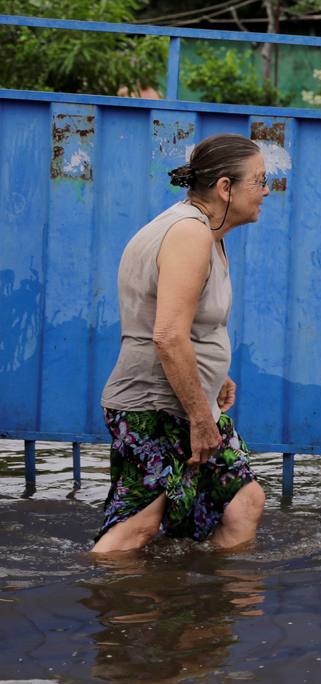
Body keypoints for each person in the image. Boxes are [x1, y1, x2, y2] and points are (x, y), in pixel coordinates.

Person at [94, 134, 270, 552]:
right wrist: (200, 418)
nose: (266, 192)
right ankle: (102, 603)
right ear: (225, 188)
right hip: (154, 406)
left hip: (185, 401)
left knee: (242, 503)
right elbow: (168, 335)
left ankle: (205, 608)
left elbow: (187, 328)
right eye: (259, 181)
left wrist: (214, 375)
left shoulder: (202, 230)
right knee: (137, 529)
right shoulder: (189, 234)